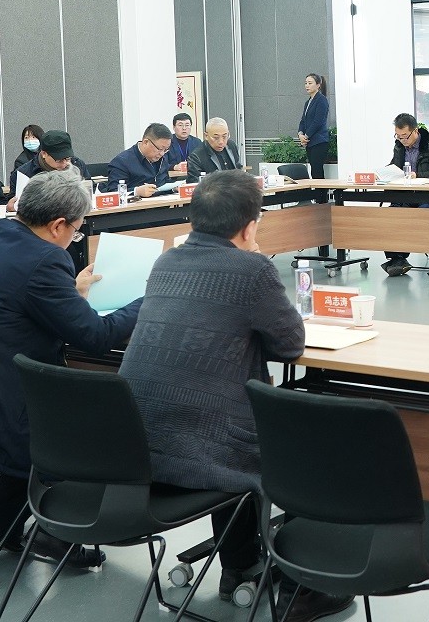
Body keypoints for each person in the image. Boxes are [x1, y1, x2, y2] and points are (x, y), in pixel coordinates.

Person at [119, 171, 353, 620]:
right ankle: (304, 587)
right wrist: (255, 263)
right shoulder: (252, 269)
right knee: (304, 443)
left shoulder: (166, 262)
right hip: (203, 453)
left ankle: (241, 564)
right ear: (249, 227)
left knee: (224, 414)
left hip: (135, 452)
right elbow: (291, 344)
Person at [0, 171, 139, 568]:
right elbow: (94, 337)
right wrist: (148, 299)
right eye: (76, 229)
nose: (75, 236)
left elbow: (16, 299)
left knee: (42, 400)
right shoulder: (45, 258)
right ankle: (57, 534)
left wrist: (69, 293)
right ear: (57, 225)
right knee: (82, 413)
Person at [383, 114, 429, 277]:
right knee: (391, 214)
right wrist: (384, 173)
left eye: (405, 136)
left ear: (415, 131)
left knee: (417, 215)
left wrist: (417, 175)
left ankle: (402, 256)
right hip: (405, 196)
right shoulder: (399, 147)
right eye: (398, 136)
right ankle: (397, 258)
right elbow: (395, 167)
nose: (402, 140)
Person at [107, 123, 173, 198]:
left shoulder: (162, 159)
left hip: (162, 202)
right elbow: (113, 192)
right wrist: (136, 191)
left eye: (165, 150)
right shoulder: (121, 162)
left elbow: (165, 182)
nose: (162, 153)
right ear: (146, 142)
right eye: (160, 149)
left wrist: (173, 188)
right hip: (136, 204)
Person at [14, 129, 90, 194]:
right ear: (44, 154)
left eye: (67, 158)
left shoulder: (78, 165)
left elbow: (89, 190)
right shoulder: (24, 174)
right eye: (59, 160)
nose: (64, 164)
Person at [297, 73, 331, 180]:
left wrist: (306, 136)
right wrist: (300, 134)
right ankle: (318, 191)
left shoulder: (321, 100)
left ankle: (321, 191)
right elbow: (303, 120)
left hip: (319, 141)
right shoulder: (308, 102)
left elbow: (318, 121)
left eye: (310, 83)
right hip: (310, 142)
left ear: (318, 85)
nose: (307, 85)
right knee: (314, 171)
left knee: (317, 171)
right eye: (306, 83)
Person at [162, 112, 199, 181]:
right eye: (180, 125)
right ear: (174, 127)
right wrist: (174, 167)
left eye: (187, 125)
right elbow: (161, 163)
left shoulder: (197, 142)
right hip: (172, 179)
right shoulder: (167, 142)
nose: (184, 128)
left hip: (193, 177)